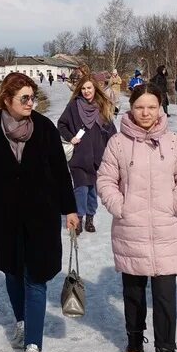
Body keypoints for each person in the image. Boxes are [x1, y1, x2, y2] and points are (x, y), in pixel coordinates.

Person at [0, 72, 79, 352]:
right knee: (12, 273)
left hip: (42, 217)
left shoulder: (45, 129)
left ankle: (33, 347)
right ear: (7, 100)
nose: (30, 102)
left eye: (33, 97)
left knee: (35, 278)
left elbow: (61, 173)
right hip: (6, 217)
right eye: (24, 98)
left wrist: (70, 209)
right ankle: (22, 323)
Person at [97, 83, 177, 352]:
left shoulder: (173, 142)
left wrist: (175, 203)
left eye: (151, 107)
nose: (146, 113)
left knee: (166, 298)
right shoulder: (117, 143)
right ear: (131, 108)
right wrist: (120, 206)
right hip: (131, 230)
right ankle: (135, 343)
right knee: (133, 293)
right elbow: (105, 179)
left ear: (160, 108)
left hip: (166, 232)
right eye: (140, 107)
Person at [58, 75, 117, 235]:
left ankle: (90, 218)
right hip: (79, 156)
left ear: (95, 88)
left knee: (92, 190)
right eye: (83, 88)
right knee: (81, 188)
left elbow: (111, 130)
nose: (86, 91)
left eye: (89, 88)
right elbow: (61, 124)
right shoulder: (73, 106)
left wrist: (113, 150)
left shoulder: (101, 106)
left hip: (98, 156)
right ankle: (78, 219)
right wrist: (71, 137)